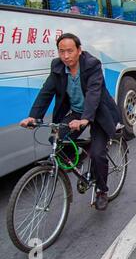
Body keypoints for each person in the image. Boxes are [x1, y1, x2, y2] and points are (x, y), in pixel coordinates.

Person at [20, 33, 122, 211]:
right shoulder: (58, 67)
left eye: (70, 51)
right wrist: (34, 116)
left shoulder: (92, 65)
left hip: (98, 112)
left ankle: (101, 191)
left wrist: (85, 119)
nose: (65, 56)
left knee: (98, 154)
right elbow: (46, 92)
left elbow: (93, 93)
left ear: (79, 51)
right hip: (77, 112)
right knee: (56, 140)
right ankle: (82, 152)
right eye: (61, 51)